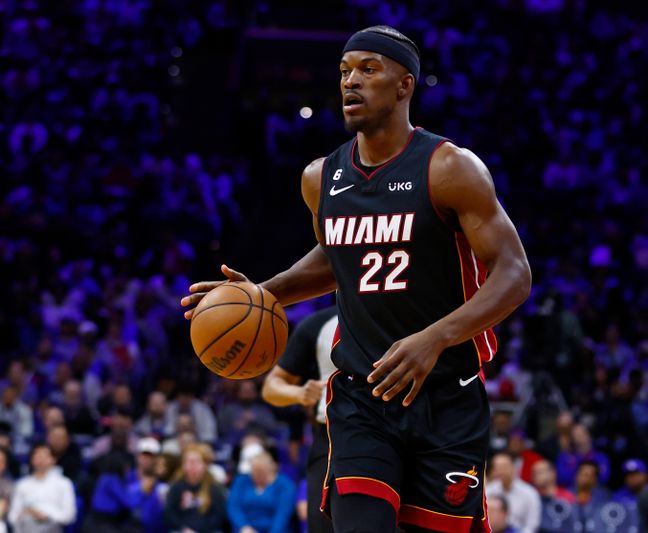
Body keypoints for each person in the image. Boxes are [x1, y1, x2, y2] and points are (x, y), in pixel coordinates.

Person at [182, 24, 531, 533]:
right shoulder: (321, 178)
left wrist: (435, 338)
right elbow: (337, 257)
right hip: (362, 397)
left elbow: (515, 274)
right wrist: (264, 293)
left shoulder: (449, 168)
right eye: (345, 71)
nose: (351, 82)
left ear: (404, 84)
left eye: (368, 69)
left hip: (447, 395)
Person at [262, 305, 337, 533]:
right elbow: (270, 388)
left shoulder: (399, 314)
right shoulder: (318, 324)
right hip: (330, 440)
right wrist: (300, 393)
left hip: (395, 434)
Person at [8, 443, 77, 533]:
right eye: (37, 456)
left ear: (53, 459)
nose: (41, 459)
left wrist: (45, 514)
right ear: (32, 460)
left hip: (51, 526)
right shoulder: (22, 484)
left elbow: (69, 516)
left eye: (45, 456)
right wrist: (27, 513)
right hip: (25, 526)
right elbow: (12, 517)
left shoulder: (64, 483)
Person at [227, 450, 297, 533]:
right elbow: (233, 507)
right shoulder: (241, 481)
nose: (257, 474)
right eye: (254, 471)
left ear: (270, 469)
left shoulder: (285, 485)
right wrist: (244, 527)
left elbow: (282, 515)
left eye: (261, 471)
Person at [164, 443, 228, 533]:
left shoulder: (214, 488)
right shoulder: (176, 487)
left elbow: (218, 516)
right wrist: (184, 529)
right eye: (189, 462)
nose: (192, 465)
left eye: (196, 462)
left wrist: (201, 530)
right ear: (183, 465)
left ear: (205, 465)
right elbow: (169, 513)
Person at [486, 452, 541, 533]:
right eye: (497, 467)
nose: (500, 471)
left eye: (504, 467)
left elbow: (532, 525)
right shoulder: (489, 490)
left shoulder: (529, 492)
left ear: (513, 467)